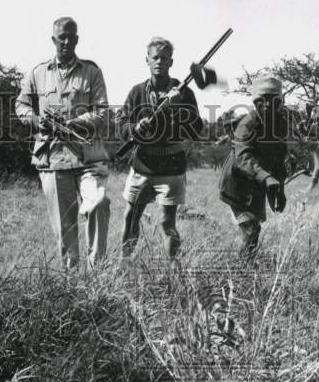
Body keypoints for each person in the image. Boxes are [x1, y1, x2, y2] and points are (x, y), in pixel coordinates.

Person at [15, 17, 110, 269]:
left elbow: (102, 111)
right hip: (53, 159)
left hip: (87, 156)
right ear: (53, 40)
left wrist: (74, 123)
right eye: (61, 37)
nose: (66, 42)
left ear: (77, 39)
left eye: (71, 37)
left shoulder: (92, 71)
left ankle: (97, 274)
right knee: (65, 229)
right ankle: (72, 284)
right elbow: (20, 105)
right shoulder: (37, 72)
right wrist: (36, 120)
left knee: (99, 204)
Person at [116, 36, 203, 259]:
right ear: (147, 60)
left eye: (164, 58)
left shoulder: (184, 93)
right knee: (131, 216)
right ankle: (124, 265)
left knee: (167, 222)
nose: (159, 62)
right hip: (142, 165)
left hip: (171, 168)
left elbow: (196, 129)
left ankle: (172, 272)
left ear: (171, 63)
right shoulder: (136, 92)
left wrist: (178, 107)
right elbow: (122, 123)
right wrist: (135, 128)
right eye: (155, 57)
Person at [217, 75, 289, 260]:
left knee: (253, 231)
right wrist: (266, 178)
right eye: (261, 100)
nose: (266, 105)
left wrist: (279, 190)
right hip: (237, 184)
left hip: (257, 185)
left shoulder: (280, 124)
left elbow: (279, 158)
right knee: (250, 229)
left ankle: (245, 267)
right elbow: (243, 157)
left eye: (272, 100)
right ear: (255, 102)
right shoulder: (247, 124)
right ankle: (241, 271)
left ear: (279, 102)